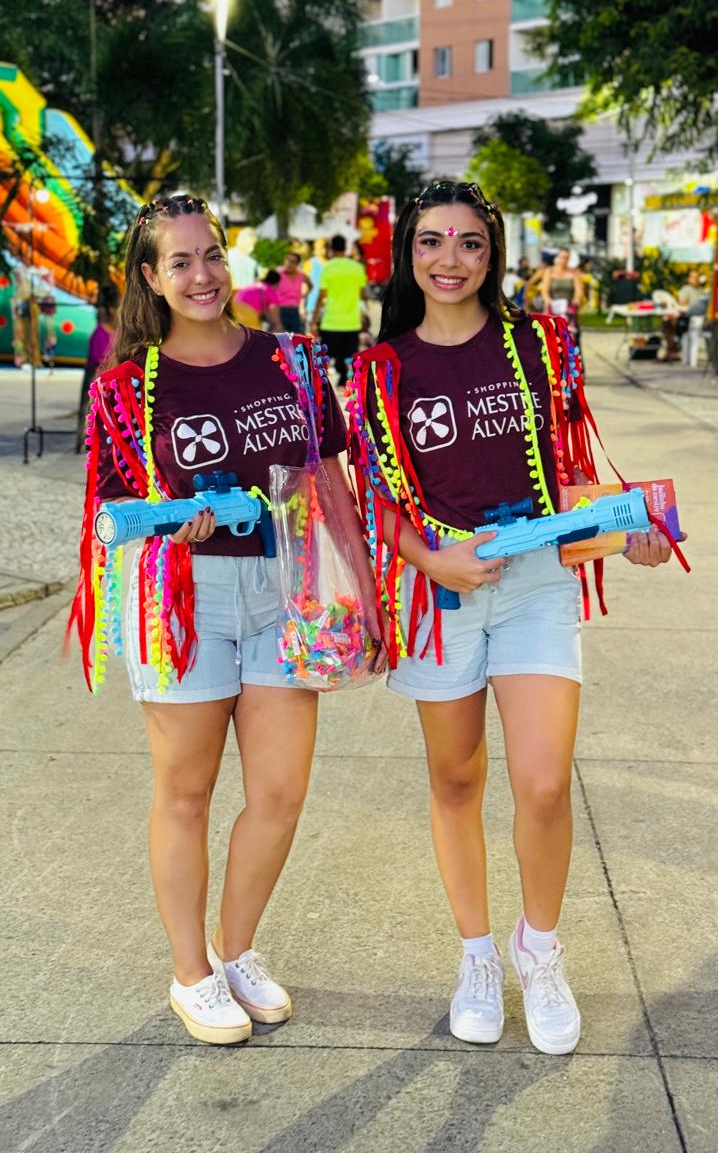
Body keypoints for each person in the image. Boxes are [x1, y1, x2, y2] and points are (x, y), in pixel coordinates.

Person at [347, 179, 673, 1057]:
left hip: (535, 584)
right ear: (407, 253)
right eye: (430, 241)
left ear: (493, 254)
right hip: (439, 594)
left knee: (543, 782)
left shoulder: (541, 345)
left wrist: (626, 530)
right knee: (457, 781)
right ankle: (477, 957)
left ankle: (541, 950)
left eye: (470, 243)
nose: (449, 260)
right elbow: (377, 502)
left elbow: (568, 474)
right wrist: (433, 561)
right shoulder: (381, 370)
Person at [68, 195, 384, 1046]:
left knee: (280, 793)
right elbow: (115, 512)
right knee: (186, 792)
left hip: (290, 595)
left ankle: (236, 950)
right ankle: (191, 973)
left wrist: (359, 588)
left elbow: (330, 478)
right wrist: (171, 521)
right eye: (180, 262)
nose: (202, 275)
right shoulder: (126, 388)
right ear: (150, 277)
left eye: (211, 254)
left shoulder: (292, 359)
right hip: (185, 599)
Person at [311, 234, 368, 387]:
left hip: (331, 321)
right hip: (352, 321)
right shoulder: (357, 267)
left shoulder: (327, 268)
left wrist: (314, 320)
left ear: (331, 249)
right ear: (345, 248)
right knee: (350, 354)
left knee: (330, 355)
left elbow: (322, 296)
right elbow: (363, 294)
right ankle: (350, 381)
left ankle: (333, 379)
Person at [76, 284, 119, 450]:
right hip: (99, 383)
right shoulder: (100, 335)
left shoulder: (119, 333)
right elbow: (96, 367)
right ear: (112, 310)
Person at [542, 248, 583, 349]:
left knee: (571, 337)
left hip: (569, 308)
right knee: (551, 338)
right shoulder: (549, 271)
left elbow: (578, 290)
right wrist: (547, 300)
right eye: (561, 257)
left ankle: (572, 357)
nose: (563, 260)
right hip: (553, 307)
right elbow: (544, 290)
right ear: (557, 257)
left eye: (566, 257)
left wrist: (576, 299)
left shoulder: (574, 272)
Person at [276, 250, 310, 334]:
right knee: (280, 338)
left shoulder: (301, 275)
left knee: (295, 338)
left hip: (295, 311)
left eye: (293, 262)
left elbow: (310, 285)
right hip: (280, 311)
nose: (289, 264)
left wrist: (303, 296)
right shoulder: (278, 273)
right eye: (287, 260)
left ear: (297, 264)